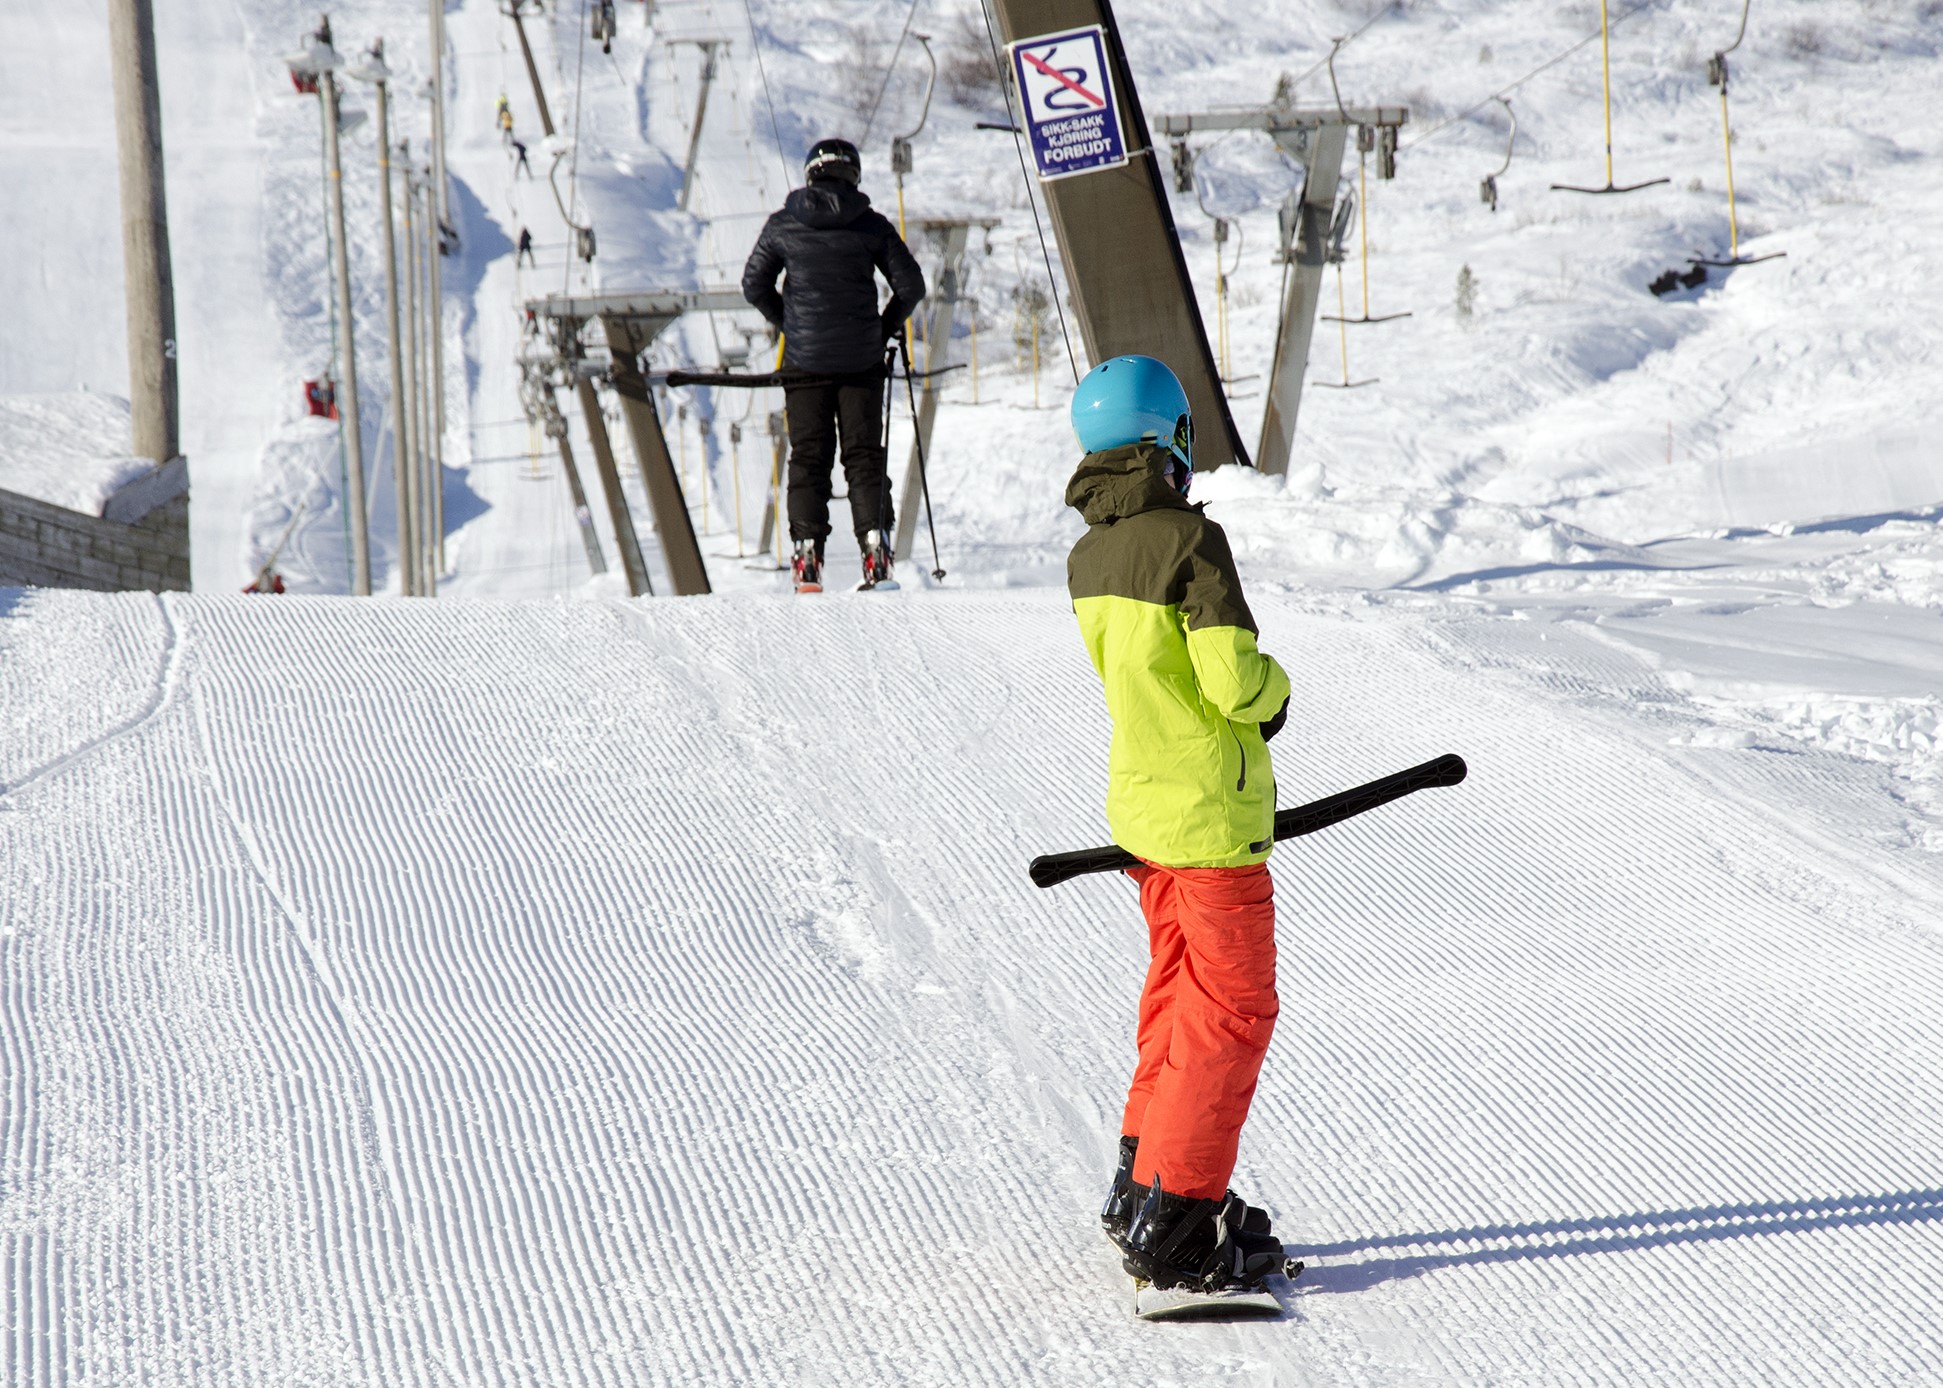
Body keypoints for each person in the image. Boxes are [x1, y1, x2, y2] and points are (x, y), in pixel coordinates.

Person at [1064, 355, 1294, 1295]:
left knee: (1175, 1002)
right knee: (1232, 1013)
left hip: (1146, 818)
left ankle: (1144, 1184)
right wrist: (1276, 694)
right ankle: (1180, 1225)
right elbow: (1233, 682)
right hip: (1207, 825)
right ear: (1171, 443)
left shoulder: (1091, 555)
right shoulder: (1190, 544)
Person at [741, 138, 925, 592]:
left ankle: (806, 557)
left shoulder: (783, 224)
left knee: (808, 459)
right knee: (863, 458)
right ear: (854, 177)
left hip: (804, 364)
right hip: (861, 362)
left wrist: (790, 325)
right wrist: (880, 330)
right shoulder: (871, 225)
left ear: (810, 175)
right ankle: (875, 550)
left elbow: (753, 284)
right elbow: (911, 286)